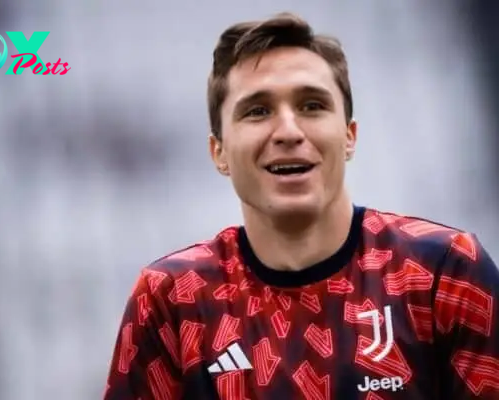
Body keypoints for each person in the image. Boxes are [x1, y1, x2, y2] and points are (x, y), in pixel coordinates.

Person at [103, 12, 499, 399]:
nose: (289, 131)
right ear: (218, 151)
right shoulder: (174, 299)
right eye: (257, 111)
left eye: (312, 105)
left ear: (349, 136)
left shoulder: (443, 273)